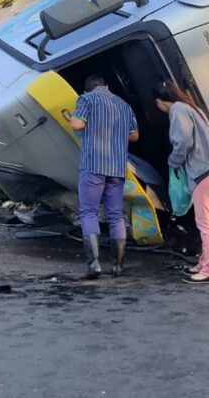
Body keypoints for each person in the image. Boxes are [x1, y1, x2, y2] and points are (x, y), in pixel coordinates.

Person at [153, 80, 209, 285]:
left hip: (203, 170)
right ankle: (203, 263)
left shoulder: (177, 110)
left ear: (159, 101)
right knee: (206, 218)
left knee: (205, 221)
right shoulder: (191, 106)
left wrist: (174, 162)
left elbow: (183, 140)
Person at [70, 75, 139, 279]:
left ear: (88, 89)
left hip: (93, 165)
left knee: (89, 212)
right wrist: (114, 132)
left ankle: (95, 265)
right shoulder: (124, 105)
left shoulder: (86, 100)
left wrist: (75, 119)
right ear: (106, 86)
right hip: (116, 168)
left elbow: (77, 125)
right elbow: (135, 136)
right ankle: (117, 265)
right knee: (116, 215)